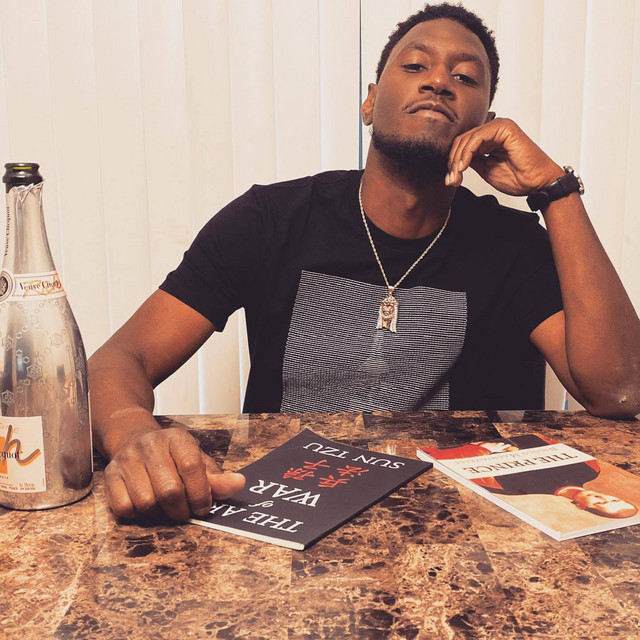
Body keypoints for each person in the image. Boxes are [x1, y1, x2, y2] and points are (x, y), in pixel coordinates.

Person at [89, 3, 640, 521]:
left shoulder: (513, 245)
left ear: (486, 123)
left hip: (447, 525)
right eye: (416, 65)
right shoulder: (269, 220)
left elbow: (618, 391)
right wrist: (133, 433)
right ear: (369, 102)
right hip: (286, 509)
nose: (438, 81)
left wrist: (555, 190)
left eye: (465, 77)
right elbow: (121, 358)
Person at [423, 435, 639, 519]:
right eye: (613, 499)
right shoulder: (590, 468)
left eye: (601, 504)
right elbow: (543, 438)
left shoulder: (509, 490)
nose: (603, 498)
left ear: (582, 507)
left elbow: (444, 459)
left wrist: (484, 449)